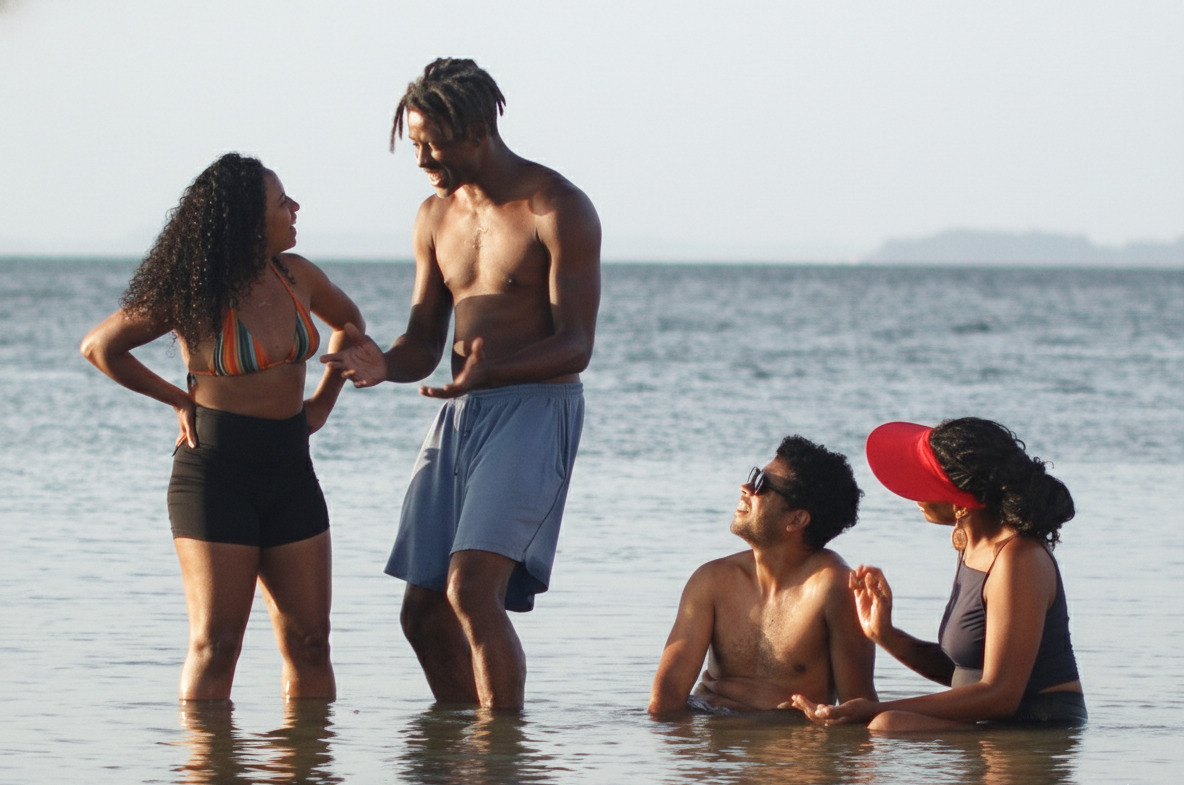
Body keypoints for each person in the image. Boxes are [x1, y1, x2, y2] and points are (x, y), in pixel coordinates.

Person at [321, 58, 600, 710]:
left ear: (477, 130)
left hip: (534, 409)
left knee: (472, 590)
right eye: (413, 142)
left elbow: (576, 345)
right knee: (420, 612)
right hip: (459, 411)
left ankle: (500, 755)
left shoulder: (555, 207)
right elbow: (423, 341)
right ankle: (460, 751)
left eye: (430, 142)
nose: (420, 158)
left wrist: (491, 372)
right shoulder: (433, 217)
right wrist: (383, 363)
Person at [80, 153, 365, 701]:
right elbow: (101, 347)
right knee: (217, 645)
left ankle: (306, 766)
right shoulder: (194, 292)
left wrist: (324, 401)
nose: (295, 208)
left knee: (312, 642)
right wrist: (173, 399)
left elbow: (351, 326)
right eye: (282, 202)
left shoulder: (297, 275)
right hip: (216, 474)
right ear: (246, 222)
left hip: (291, 471)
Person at [792, 418, 1087, 731]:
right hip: (995, 722)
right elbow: (964, 673)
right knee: (880, 723)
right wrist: (884, 633)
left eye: (922, 480)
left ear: (960, 499)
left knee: (886, 724)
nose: (911, 491)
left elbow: (1002, 695)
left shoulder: (1019, 559)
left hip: (1042, 726)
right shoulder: (973, 548)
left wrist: (873, 709)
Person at [648, 436, 877, 717]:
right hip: (714, 737)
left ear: (796, 520)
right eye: (753, 476)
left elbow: (859, 709)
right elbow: (665, 699)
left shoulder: (835, 587)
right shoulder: (712, 580)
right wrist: (684, 757)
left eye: (762, 485)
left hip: (786, 746)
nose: (745, 488)